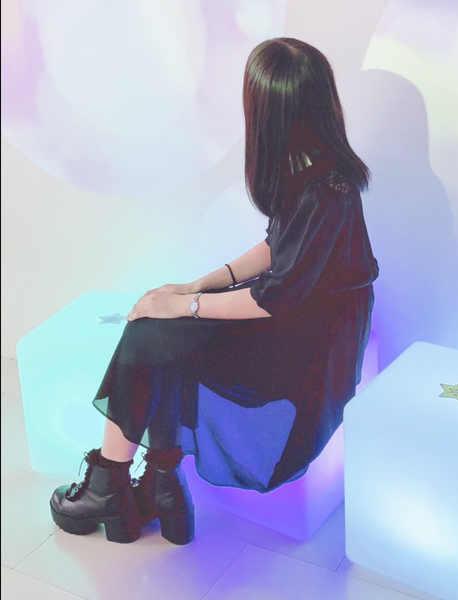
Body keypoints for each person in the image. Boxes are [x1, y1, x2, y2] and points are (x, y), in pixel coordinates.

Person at [49, 37, 379, 546]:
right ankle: (161, 487)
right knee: (164, 334)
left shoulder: (328, 189)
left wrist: (186, 304)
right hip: (291, 319)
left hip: (307, 348)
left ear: (271, 112)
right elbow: (276, 247)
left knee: (152, 336)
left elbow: (273, 299)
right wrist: (199, 285)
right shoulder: (312, 167)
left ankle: (109, 486)